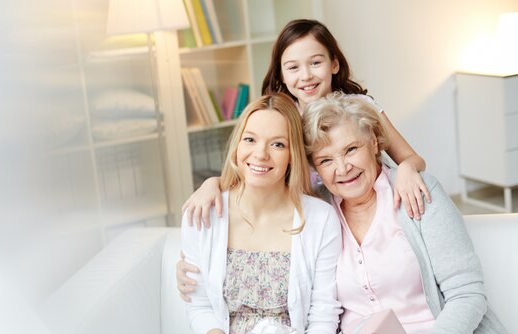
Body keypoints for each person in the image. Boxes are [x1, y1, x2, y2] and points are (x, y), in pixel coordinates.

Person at [183, 92, 518, 334]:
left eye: (352, 149)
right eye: (326, 160)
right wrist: (212, 183)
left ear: (374, 143)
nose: (342, 168)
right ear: (314, 167)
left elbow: (467, 293)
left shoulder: (416, 192)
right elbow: (260, 184)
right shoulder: (321, 215)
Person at [166, 93, 346, 334]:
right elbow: (199, 305)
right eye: (250, 139)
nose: (260, 154)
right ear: (237, 145)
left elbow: (323, 318)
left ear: (293, 154)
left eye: (278, 144)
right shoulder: (204, 213)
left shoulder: (320, 219)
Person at [184, 19, 430, 228]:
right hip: (313, 223)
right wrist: (211, 184)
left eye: (315, 63)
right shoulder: (283, 118)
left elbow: (412, 158)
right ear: (281, 74)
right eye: (293, 67)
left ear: (334, 64)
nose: (306, 76)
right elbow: (254, 171)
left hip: (369, 212)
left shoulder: (360, 107)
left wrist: (406, 170)